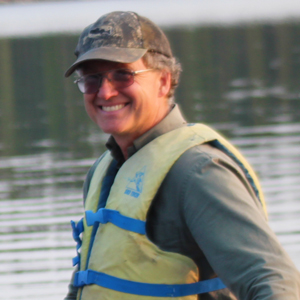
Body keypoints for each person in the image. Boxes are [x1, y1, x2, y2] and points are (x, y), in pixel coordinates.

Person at [64, 11, 300, 300]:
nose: (106, 92)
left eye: (123, 75)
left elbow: (275, 282)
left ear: (164, 81)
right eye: (91, 79)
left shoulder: (197, 171)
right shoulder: (102, 173)